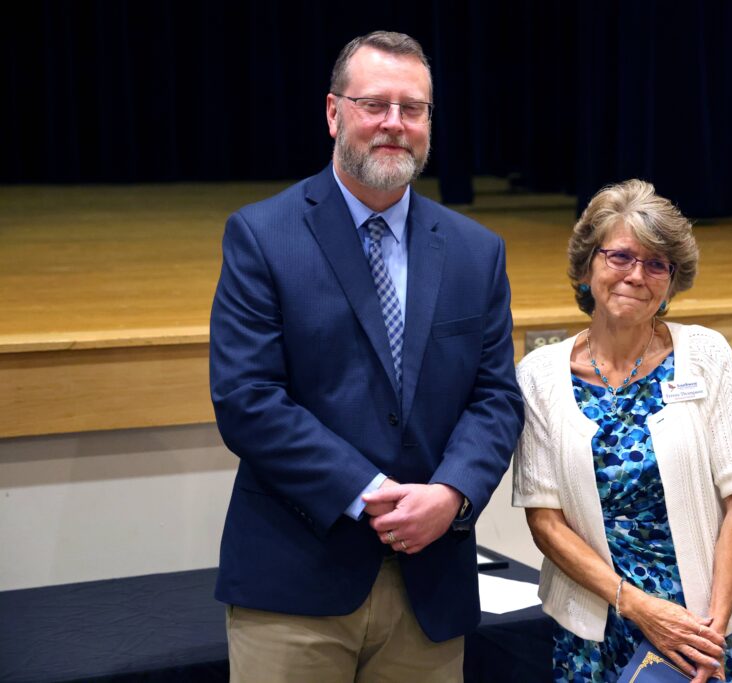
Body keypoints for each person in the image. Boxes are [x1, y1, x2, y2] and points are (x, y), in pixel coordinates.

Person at [209, 31, 524, 682]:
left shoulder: (477, 251)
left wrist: (452, 492)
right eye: (374, 104)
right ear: (333, 113)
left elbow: (495, 399)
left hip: (430, 592)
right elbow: (248, 400)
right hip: (296, 588)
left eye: (413, 109)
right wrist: (368, 490)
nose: (394, 124)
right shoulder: (262, 235)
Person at [512, 179, 732, 683]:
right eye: (620, 257)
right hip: (596, 629)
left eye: (657, 265)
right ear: (588, 267)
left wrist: (709, 631)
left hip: (706, 628)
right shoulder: (540, 376)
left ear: (672, 283)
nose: (637, 275)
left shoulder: (705, 355)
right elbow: (545, 522)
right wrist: (637, 607)